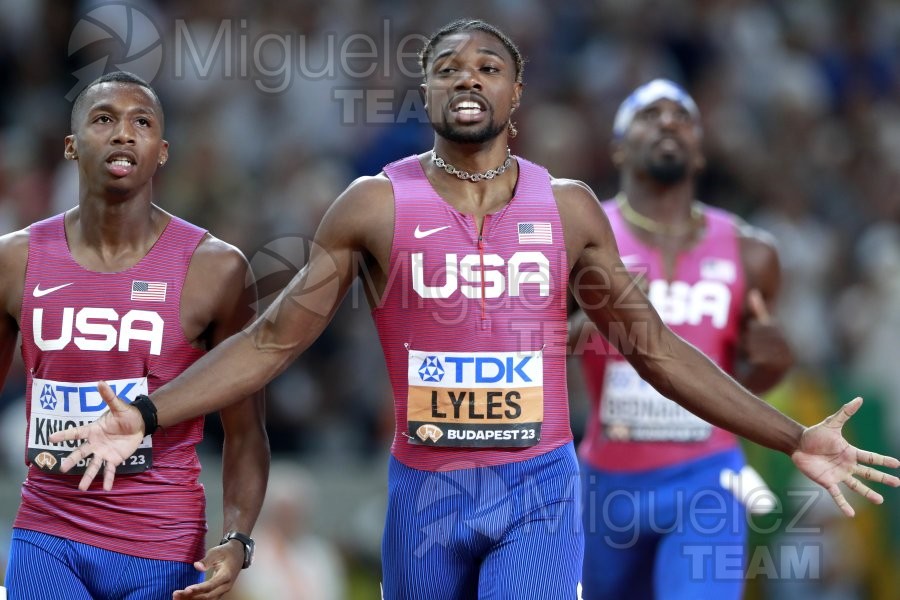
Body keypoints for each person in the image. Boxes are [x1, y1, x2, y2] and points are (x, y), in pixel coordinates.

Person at [51, 22, 898, 600]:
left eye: (487, 68)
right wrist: (153, 412)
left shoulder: (568, 209)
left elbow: (656, 350)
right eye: (449, 67)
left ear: (516, 93)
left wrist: (792, 437)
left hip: (540, 488)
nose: (468, 79)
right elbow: (273, 341)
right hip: (424, 493)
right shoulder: (371, 206)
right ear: (425, 89)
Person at [0, 71, 270, 599]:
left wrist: (237, 539)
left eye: (141, 122)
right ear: (72, 147)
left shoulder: (213, 269)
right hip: (46, 533)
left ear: (162, 151)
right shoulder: (14, 260)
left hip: (162, 546)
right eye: (105, 119)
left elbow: (245, 433)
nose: (124, 133)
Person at [569, 79, 794, 599]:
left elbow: (747, 379)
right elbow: (533, 343)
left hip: (707, 479)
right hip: (607, 482)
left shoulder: (752, 252)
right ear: (619, 147)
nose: (668, 122)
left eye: (681, 117)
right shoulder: (582, 235)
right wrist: (587, 327)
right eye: (650, 115)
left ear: (698, 151)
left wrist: (773, 366)